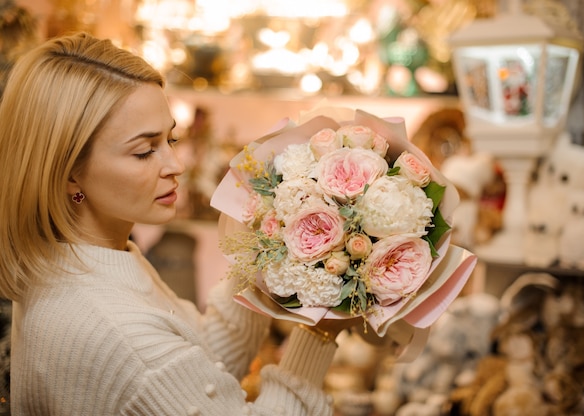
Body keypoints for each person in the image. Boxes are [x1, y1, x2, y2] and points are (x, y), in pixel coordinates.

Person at [0, 32, 353, 415]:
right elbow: (152, 364)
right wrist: (319, 331)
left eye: (171, 138)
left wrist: (264, 249)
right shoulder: (114, 329)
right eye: (144, 151)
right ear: (70, 173)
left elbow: (197, 369)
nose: (175, 166)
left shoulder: (92, 260)